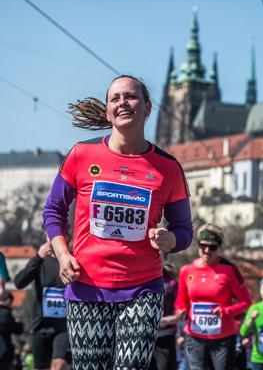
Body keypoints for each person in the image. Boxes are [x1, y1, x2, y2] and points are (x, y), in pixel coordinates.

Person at [42, 75, 193, 369]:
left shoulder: (168, 168)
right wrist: (62, 255)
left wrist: (169, 240)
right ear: (108, 109)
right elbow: (53, 211)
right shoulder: (81, 154)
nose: (123, 102)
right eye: (115, 98)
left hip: (142, 290)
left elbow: (184, 231)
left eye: (131, 96)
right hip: (87, 286)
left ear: (148, 108)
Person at [175, 224, 252, 370]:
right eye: (203, 245)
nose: (206, 250)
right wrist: (181, 311)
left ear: (219, 248)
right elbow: (181, 301)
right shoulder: (187, 271)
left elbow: (245, 302)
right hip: (194, 335)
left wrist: (225, 311)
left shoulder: (229, 271)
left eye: (212, 247)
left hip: (222, 338)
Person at [14, 237, 70, 370]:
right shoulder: (40, 261)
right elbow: (19, 283)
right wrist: (38, 257)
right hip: (40, 326)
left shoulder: (69, 259)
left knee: (59, 365)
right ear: (46, 236)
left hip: (63, 327)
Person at [240, 277, 263, 370]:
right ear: (260, 291)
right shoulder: (254, 308)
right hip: (258, 358)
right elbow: (243, 332)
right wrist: (251, 319)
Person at [149, 262, 179, 370]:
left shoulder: (171, 283)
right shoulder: (137, 278)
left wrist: (173, 319)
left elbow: (180, 310)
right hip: (142, 338)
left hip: (165, 337)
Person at [0, 291, 23, 370]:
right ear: (8, 301)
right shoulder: (6, 313)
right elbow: (18, 330)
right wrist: (18, 323)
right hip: (4, 349)